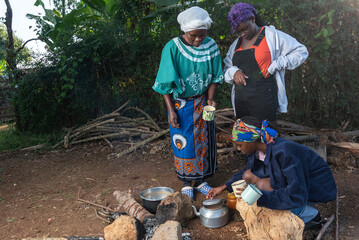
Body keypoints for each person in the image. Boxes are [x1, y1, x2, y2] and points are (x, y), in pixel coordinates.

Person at [206, 116, 337, 229]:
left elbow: (296, 192)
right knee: (248, 176)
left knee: (263, 187)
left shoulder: (284, 152)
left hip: (317, 187)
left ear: (252, 140)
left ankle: (310, 215)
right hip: (298, 181)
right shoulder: (258, 150)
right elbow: (248, 172)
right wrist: (223, 187)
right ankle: (282, 206)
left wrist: (259, 197)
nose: (239, 149)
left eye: (240, 145)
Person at [152, 6, 224, 199]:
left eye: (202, 35)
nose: (199, 39)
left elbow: (216, 76)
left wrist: (210, 98)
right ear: (185, 31)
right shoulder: (172, 48)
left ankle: (201, 180)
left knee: (205, 139)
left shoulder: (211, 46)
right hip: (180, 105)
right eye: (194, 35)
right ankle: (186, 181)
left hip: (203, 102)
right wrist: (171, 111)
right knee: (183, 142)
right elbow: (164, 83)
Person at [223, 2, 309, 122]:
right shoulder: (235, 45)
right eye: (239, 32)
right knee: (245, 137)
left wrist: (277, 64)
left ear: (252, 19)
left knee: (266, 136)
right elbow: (226, 69)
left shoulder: (272, 36)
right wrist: (234, 72)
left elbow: (301, 51)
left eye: (245, 29)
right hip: (241, 101)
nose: (242, 34)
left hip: (264, 99)